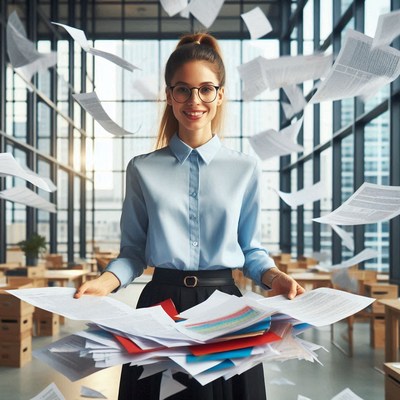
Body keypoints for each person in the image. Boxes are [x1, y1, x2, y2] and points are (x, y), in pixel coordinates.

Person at [75, 32, 305, 400]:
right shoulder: (142, 169)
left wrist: (273, 276)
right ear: (169, 96)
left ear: (220, 94)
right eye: (182, 89)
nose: (194, 100)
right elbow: (132, 252)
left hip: (226, 310)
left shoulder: (245, 168)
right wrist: (105, 282)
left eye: (206, 89)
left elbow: (250, 250)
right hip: (159, 309)